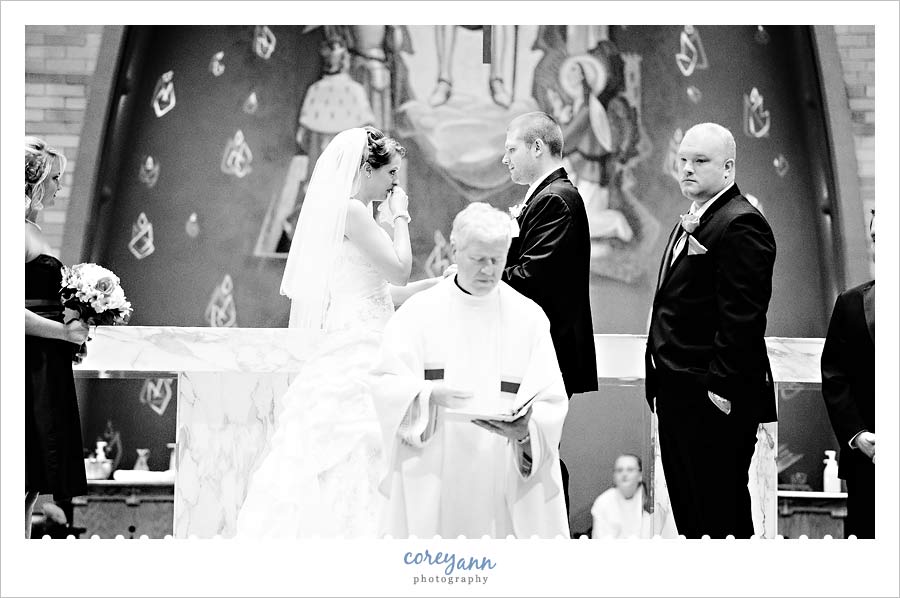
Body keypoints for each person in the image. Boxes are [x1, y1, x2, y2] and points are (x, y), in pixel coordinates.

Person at [236, 127, 441, 538]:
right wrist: (400, 215)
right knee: (355, 441)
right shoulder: (352, 211)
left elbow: (386, 291)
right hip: (359, 343)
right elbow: (399, 267)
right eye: (390, 174)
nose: (394, 183)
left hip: (369, 333)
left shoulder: (350, 213)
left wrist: (438, 286)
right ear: (367, 169)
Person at [372, 202, 570, 538]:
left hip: (502, 468)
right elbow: (385, 384)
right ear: (455, 250)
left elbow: (551, 399)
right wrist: (427, 395)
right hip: (436, 464)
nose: (489, 270)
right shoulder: (418, 313)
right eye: (479, 259)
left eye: (497, 259)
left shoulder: (529, 318)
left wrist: (525, 432)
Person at [645, 122, 776, 539]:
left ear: (728, 167)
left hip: (711, 400)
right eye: (682, 160)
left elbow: (743, 317)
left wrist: (720, 390)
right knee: (692, 520)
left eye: (699, 161)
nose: (686, 169)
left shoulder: (741, 224)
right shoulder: (696, 218)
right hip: (677, 394)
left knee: (720, 519)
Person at [501, 111, 598, 511]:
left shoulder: (557, 199)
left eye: (511, 149)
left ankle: (550, 530)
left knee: (539, 454)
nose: (504, 159)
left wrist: (481, 275)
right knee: (533, 452)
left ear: (537, 147)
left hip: (550, 352)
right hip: (541, 348)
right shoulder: (548, 195)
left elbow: (533, 277)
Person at [25, 136, 90, 538]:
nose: (59, 188)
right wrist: (63, 332)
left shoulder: (30, 228)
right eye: (55, 179)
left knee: (30, 485)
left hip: (45, 363)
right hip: (27, 363)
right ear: (33, 181)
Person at [821, 211, 875, 538]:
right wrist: (857, 435)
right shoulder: (850, 303)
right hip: (867, 459)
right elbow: (835, 376)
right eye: (875, 238)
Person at [590, 454, 676, 539]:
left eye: (630, 470)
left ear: (640, 475)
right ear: (614, 476)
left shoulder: (649, 501)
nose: (624, 474)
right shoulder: (603, 502)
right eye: (619, 470)